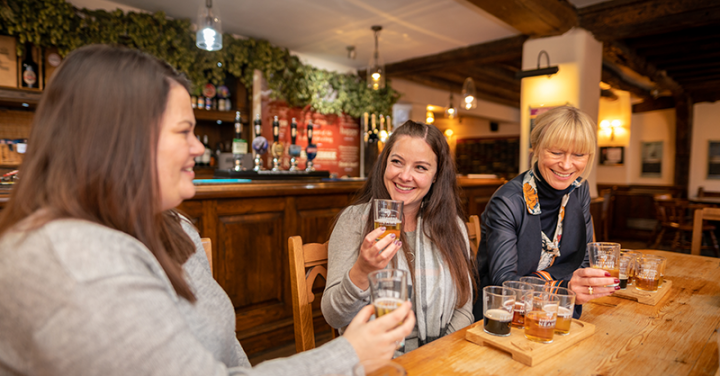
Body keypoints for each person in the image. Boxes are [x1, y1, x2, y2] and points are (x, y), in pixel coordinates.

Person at [0, 44, 414, 376]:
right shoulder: (76, 264)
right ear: (118, 141)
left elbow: (225, 352)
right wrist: (349, 355)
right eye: (184, 131)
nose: (200, 149)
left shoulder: (171, 226)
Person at [322, 121, 474, 354]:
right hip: (375, 360)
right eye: (397, 162)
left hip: (441, 360)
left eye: (420, 168)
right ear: (385, 164)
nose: (404, 176)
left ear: (436, 176)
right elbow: (334, 316)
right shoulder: (354, 221)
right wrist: (362, 271)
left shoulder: (452, 227)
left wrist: (439, 358)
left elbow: (463, 308)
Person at [473, 106, 617, 321]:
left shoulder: (579, 190)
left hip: (556, 314)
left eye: (578, 154)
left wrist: (539, 278)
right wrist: (562, 285)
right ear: (536, 149)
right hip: (504, 318)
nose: (567, 165)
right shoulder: (509, 201)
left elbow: (584, 261)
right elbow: (505, 283)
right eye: (556, 152)